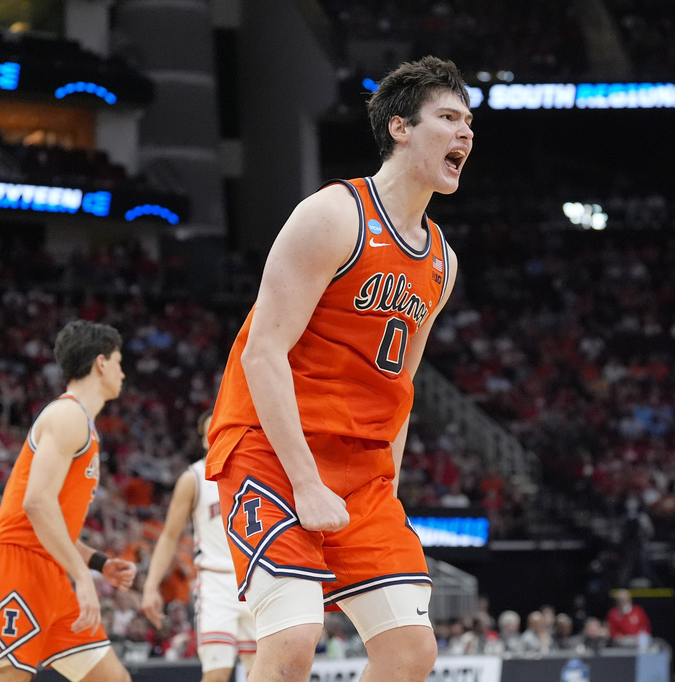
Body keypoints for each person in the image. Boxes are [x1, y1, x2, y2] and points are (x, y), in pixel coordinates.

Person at [206, 55, 471, 682]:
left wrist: (389, 486)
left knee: (411, 652)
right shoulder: (333, 214)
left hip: (360, 468)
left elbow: (399, 386)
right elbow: (262, 352)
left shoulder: (442, 260)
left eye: (469, 124)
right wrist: (304, 482)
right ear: (401, 127)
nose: (464, 133)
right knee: (294, 642)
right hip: (272, 451)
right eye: (448, 118)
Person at [0, 320, 136, 682]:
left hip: (51, 569)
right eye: (119, 362)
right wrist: (83, 577)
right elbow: (36, 504)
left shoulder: (82, 423)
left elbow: (53, 524)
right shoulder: (67, 415)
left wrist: (97, 563)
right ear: (101, 363)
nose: (123, 373)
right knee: (5, 678)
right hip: (17, 562)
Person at [141, 409, 256, 682]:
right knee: (217, 674)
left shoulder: (256, 471)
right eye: (210, 433)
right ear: (204, 439)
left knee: (266, 673)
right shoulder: (193, 478)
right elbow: (170, 536)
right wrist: (150, 585)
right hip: (216, 584)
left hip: (256, 581)